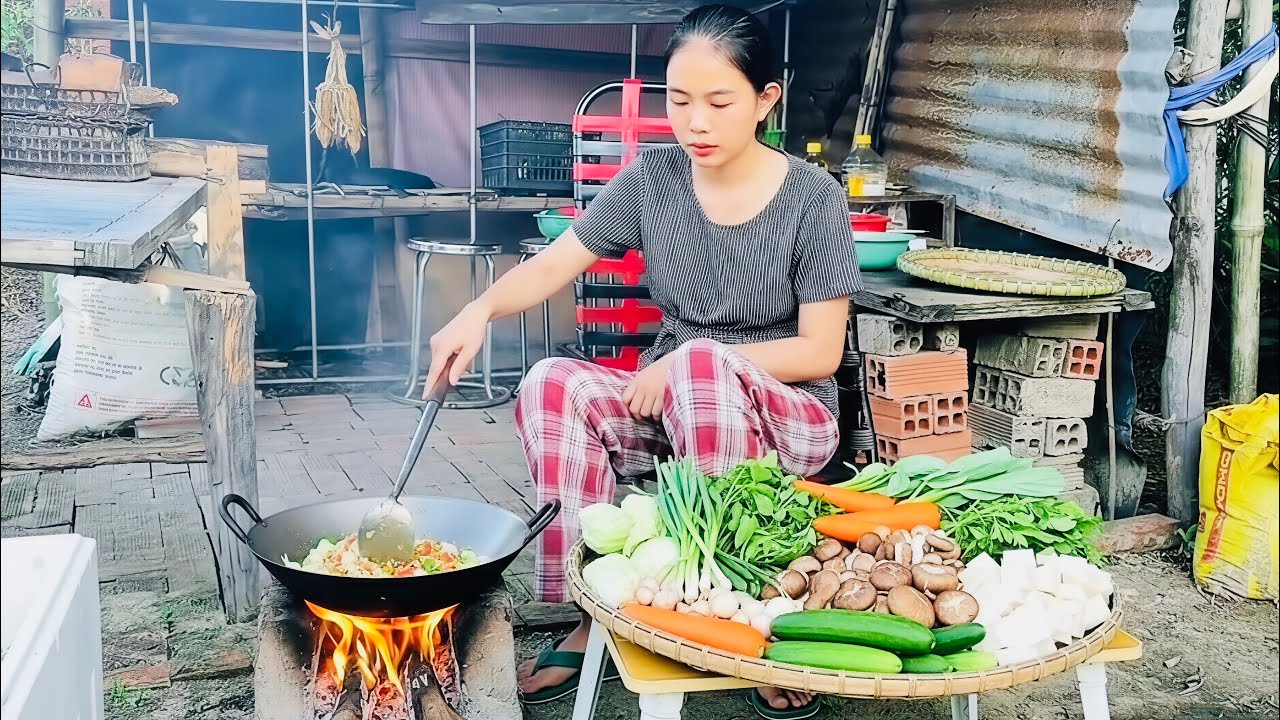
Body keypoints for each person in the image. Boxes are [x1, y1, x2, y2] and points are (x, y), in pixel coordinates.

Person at [421, 5, 860, 717]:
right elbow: (555, 264)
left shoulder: (815, 198)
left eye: (719, 103)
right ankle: (592, 608)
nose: (695, 123)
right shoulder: (653, 179)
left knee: (700, 367)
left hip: (788, 416)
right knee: (552, 382)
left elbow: (820, 350)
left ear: (765, 101)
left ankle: (746, 617)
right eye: (679, 101)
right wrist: (477, 311)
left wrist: (696, 359)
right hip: (676, 403)